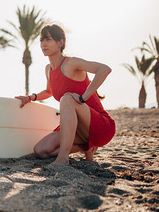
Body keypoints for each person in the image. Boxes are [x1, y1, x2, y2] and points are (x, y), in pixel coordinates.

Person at [16, 24, 116, 165]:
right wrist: (30, 97)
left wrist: (83, 98)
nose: (43, 44)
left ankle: (63, 158)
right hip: (77, 129)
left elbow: (104, 69)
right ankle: (88, 147)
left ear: (60, 42)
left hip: (101, 127)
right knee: (41, 151)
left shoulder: (71, 63)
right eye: (41, 40)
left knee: (67, 98)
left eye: (48, 39)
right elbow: (49, 92)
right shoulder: (48, 70)